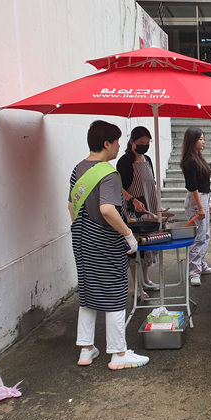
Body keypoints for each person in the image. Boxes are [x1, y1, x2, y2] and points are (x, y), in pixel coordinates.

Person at [68, 120, 149, 370]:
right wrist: (128, 234)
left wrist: (84, 231)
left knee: (88, 293)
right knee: (115, 294)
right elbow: (107, 209)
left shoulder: (78, 169)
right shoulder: (109, 173)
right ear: (106, 144)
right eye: (116, 142)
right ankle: (119, 353)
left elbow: (71, 206)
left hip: (81, 240)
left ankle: (86, 350)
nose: (118, 146)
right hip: (105, 240)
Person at [116, 126, 160, 296]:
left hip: (149, 207)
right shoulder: (125, 162)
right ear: (131, 142)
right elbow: (119, 187)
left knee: (147, 246)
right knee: (135, 248)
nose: (145, 146)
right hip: (133, 211)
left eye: (147, 143)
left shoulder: (147, 159)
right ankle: (136, 286)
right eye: (141, 143)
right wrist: (133, 200)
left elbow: (151, 183)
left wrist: (157, 206)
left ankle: (146, 280)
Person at [180, 127, 211, 287]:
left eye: (203, 138)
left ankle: (200, 264)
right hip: (196, 200)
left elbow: (205, 183)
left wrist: (208, 202)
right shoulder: (190, 161)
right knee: (198, 237)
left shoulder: (198, 158)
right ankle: (194, 271)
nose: (203, 141)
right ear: (192, 141)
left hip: (203, 198)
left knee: (205, 234)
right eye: (200, 139)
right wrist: (200, 207)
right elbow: (192, 186)